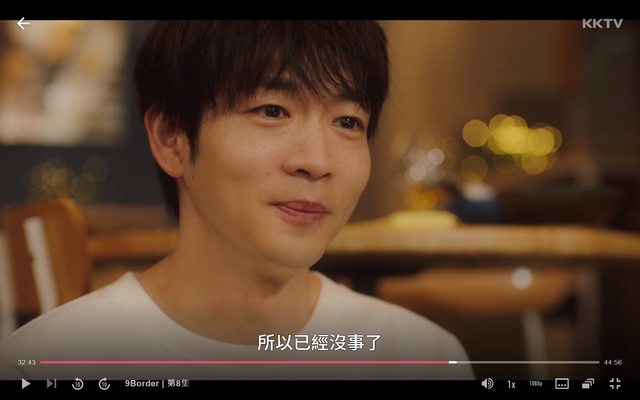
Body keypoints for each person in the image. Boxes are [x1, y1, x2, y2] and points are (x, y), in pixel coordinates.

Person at [0, 21, 474, 380]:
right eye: (272, 110)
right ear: (171, 139)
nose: (317, 161)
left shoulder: (419, 357)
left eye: (348, 122)